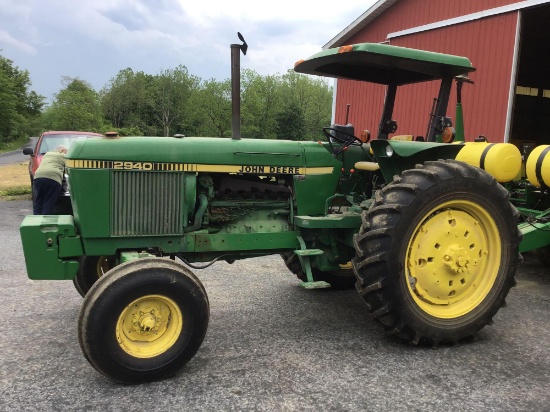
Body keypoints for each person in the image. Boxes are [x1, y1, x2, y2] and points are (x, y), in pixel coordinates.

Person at [33, 145, 68, 215]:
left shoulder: (47, 154)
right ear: (63, 151)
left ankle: (36, 220)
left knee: (39, 199)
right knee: (49, 200)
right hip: (53, 178)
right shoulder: (65, 157)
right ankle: (45, 221)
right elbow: (67, 171)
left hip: (38, 176)